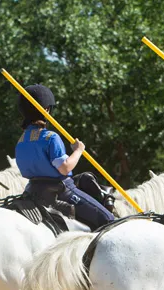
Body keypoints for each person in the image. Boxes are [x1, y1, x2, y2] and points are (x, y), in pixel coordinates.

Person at [14, 84, 114, 231]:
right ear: (46, 109)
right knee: (108, 219)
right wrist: (79, 150)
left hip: (32, 190)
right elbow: (65, 167)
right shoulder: (50, 137)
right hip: (60, 190)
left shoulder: (21, 141)